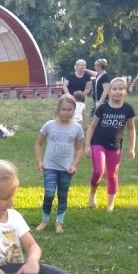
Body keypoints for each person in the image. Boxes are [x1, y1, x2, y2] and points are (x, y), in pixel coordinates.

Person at [33, 94, 86, 234]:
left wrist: (74, 164)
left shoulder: (77, 128)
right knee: (49, 193)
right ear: (58, 109)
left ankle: (59, 223)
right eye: (63, 109)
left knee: (62, 195)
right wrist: (39, 161)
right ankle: (44, 220)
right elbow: (38, 144)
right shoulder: (49, 125)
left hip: (66, 169)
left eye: (69, 110)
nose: (66, 112)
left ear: (74, 111)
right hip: (50, 166)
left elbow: (80, 148)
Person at [85, 77, 136, 212]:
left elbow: (131, 129)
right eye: (114, 89)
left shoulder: (128, 109)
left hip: (115, 146)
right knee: (98, 171)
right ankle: (92, 194)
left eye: (121, 89)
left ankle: (110, 204)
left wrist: (131, 148)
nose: (117, 92)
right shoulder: (102, 108)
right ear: (109, 91)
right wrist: (87, 145)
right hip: (98, 144)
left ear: (125, 91)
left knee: (112, 174)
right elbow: (91, 127)